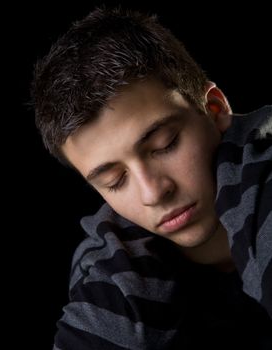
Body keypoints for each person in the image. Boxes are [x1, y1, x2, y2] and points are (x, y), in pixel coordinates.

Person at [31, 6, 272, 349]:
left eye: (165, 144)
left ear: (214, 109)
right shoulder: (112, 262)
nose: (152, 192)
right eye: (115, 180)